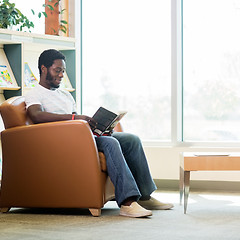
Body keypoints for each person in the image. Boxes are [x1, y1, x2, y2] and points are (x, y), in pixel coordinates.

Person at [25, 49, 174, 218]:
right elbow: (36, 116)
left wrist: (101, 128)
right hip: (64, 142)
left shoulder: (66, 95)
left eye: (63, 71)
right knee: (111, 143)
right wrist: (75, 117)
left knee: (131, 139)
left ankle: (145, 196)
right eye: (57, 70)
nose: (61, 75)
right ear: (44, 69)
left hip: (82, 136)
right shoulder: (33, 94)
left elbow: (77, 123)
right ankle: (127, 203)